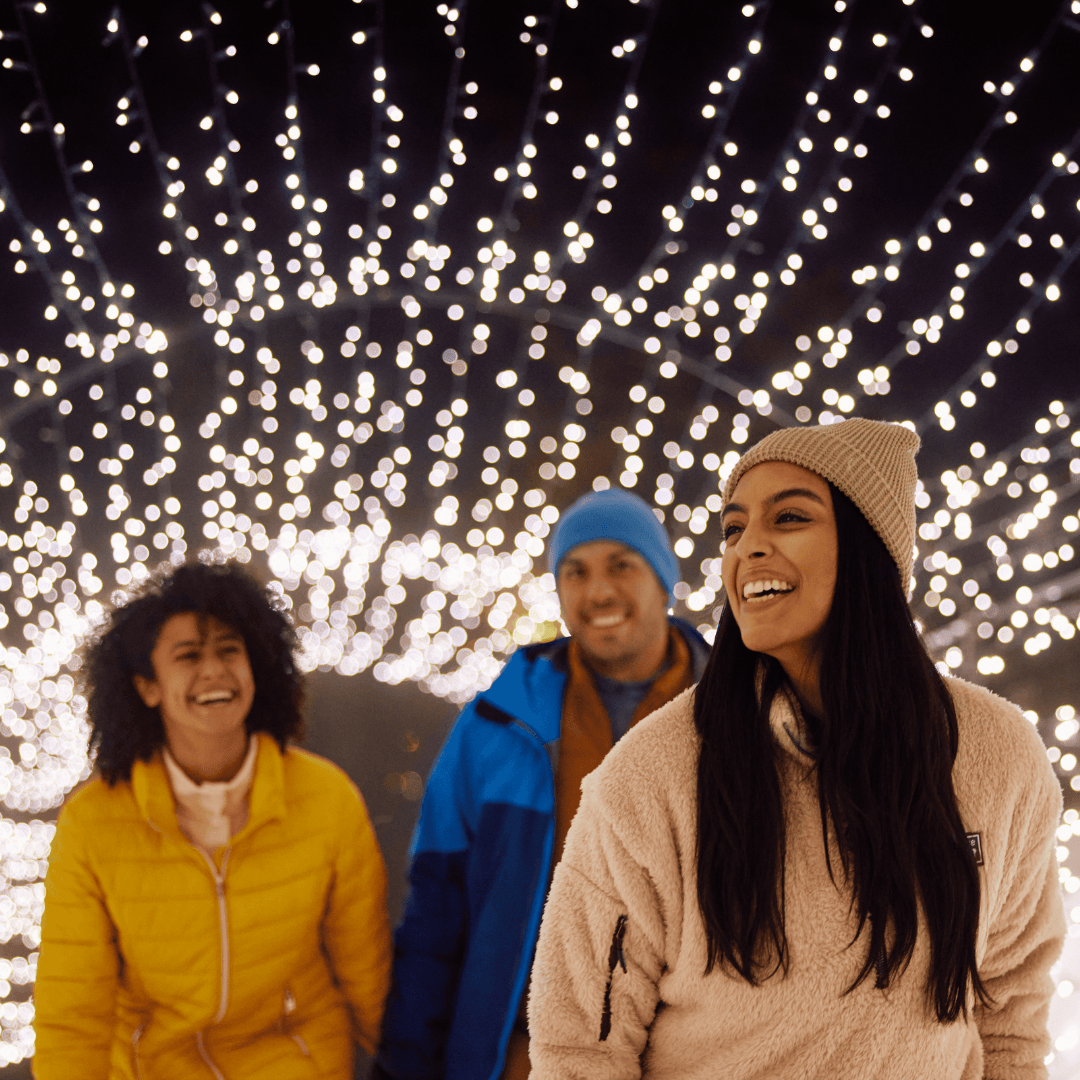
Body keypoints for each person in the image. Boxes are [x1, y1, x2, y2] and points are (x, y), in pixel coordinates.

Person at [528, 418, 1066, 1080]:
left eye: (788, 518)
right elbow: (581, 1049)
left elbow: (1011, 1017)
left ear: (869, 546)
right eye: (733, 529)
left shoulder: (995, 755)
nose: (748, 547)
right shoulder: (651, 777)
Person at [375, 489, 710, 1080]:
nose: (598, 591)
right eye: (575, 572)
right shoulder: (496, 726)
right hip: (520, 1055)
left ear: (664, 582)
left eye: (621, 565)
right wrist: (405, 1065)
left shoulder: (739, 719)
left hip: (693, 1056)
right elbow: (435, 913)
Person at [34, 561, 392, 1079]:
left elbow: (368, 969)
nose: (213, 670)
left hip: (296, 1062)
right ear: (148, 686)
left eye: (229, 650)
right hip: (153, 1068)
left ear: (256, 667)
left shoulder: (327, 797)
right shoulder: (93, 821)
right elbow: (72, 1011)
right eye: (188, 655)